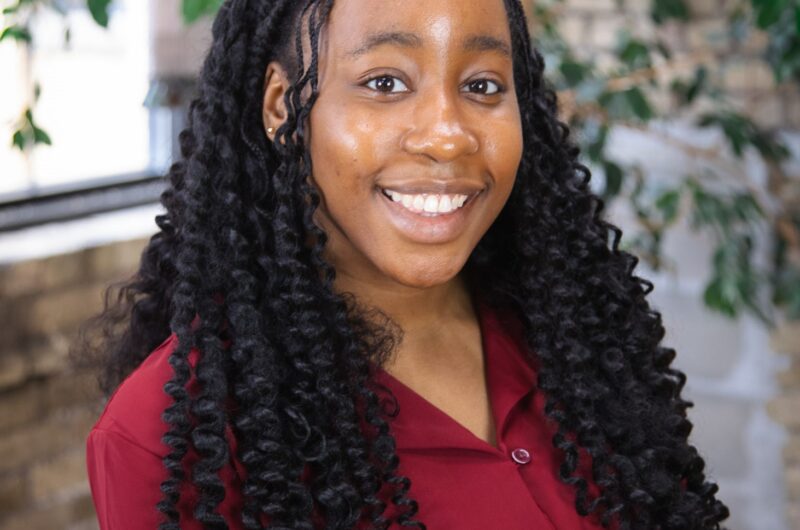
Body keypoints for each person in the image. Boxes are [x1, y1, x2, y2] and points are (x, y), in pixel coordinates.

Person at [78, 0, 731, 528]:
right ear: (282, 107)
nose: (447, 134)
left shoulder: (578, 337)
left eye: (482, 85)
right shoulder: (173, 437)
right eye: (384, 83)